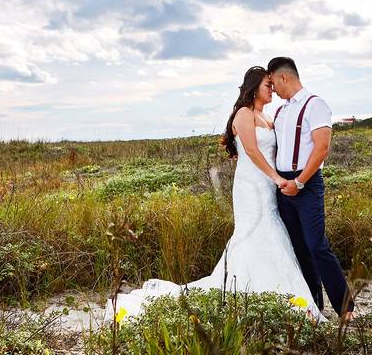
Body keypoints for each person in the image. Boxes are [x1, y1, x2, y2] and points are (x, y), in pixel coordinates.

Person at [103, 66, 323, 323]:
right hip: (251, 186)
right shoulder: (243, 114)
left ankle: (274, 293)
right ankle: (249, 290)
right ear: (253, 89)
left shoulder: (267, 117)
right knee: (253, 233)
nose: (272, 89)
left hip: (268, 187)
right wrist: (276, 178)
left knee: (272, 233)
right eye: (267, 85)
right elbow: (252, 151)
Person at [268, 56, 353, 319]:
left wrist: (300, 181)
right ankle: (315, 304)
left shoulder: (316, 105)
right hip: (283, 185)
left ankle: (345, 308)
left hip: (306, 183)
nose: (272, 90)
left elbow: (322, 148)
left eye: (272, 83)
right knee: (299, 248)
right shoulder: (280, 112)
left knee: (317, 245)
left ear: (283, 77)